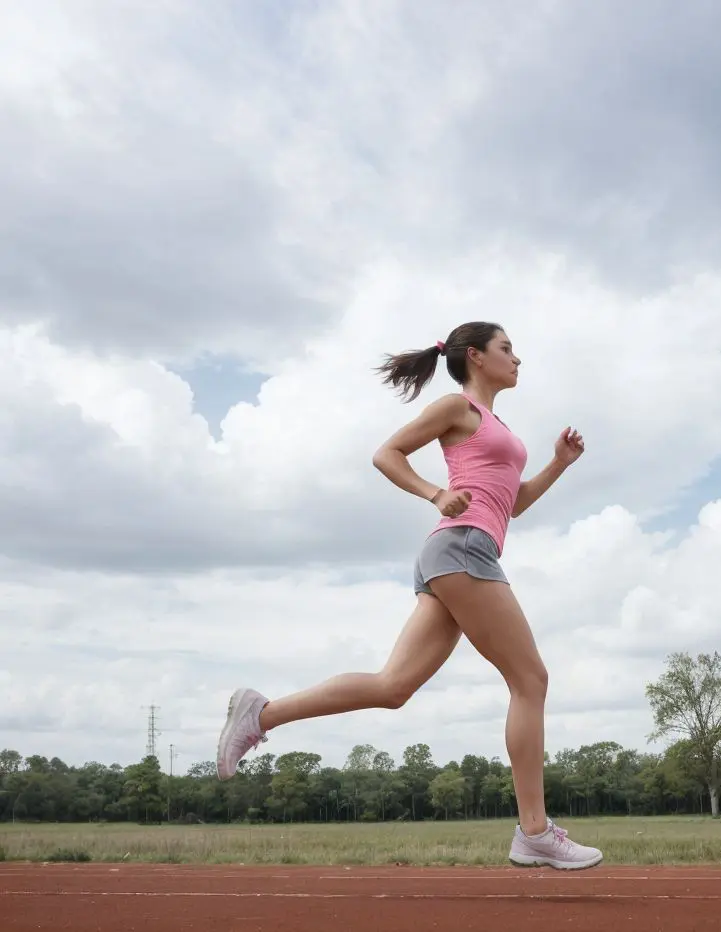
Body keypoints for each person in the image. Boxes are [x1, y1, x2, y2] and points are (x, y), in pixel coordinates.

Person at [215, 321, 603, 870]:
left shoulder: (496, 424)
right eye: (507, 349)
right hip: (462, 549)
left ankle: (262, 714)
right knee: (530, 680)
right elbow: (387, 454)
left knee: (393, 686)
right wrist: (434, 491)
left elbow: (511, 504)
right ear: (476, 356)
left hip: (459, 554)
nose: (518, 359)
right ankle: (535, 831)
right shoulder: (456, 407)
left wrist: (558, 465)